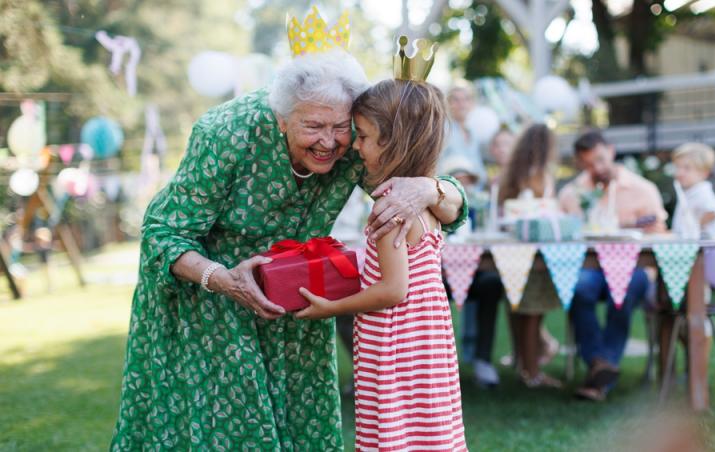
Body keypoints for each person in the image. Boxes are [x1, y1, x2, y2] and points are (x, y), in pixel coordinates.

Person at [109, 9, 468, 449]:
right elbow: (163, 233)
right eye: (313, 127)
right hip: (212, 298)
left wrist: (428, 188)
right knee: (232, 428)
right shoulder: (227, 134)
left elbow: (448, 199)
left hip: (299, 297)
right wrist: (223, 279)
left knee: (304, 424)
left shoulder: (358, 136)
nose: (330, 142)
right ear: (280, 119)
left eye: (341, 128)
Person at [295, 78, 467, 451]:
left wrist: (332, 308)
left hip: (396, 344)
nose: (355, 146)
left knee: (396, 429)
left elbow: (392, 290)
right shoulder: (426, 202)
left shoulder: (391, 207)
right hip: (425, 340)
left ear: (393, 142)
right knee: (426, 430)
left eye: (364, 137)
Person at [558, 130, 667, 401]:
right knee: (578, 287)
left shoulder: (643, 189)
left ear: (612, 151)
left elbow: (661, 235)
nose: (596, 168)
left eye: (600, 160)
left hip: (635, 270)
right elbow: (562, 231)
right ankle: (601, 364)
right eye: (588, 164)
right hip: (591, 270)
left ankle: (599, 369)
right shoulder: (573, 192)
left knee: (625, 290)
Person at [498, 124, 563, 389]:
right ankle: (532, 372)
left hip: (510, 249)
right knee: (533, 311)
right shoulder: (540, 176)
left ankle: (524, 364)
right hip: (535, 252)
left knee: (519, 310)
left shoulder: (511, 174)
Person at [671, 142, 715, 239]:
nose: (679, 172)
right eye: (677, 167)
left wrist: (694, 227)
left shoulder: (702, 191)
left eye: (687, 168)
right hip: (691, 246)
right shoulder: (688, 192)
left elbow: (713, 211)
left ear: (704, 173)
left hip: (705, 248)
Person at [438, 82, 488, 187]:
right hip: (450, 192)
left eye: (466, 99)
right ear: (447, 104)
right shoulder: (443, 130)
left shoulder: (473, 133)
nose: (462, 104)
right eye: (456, 100)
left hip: (475, 194)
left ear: (472, 103)